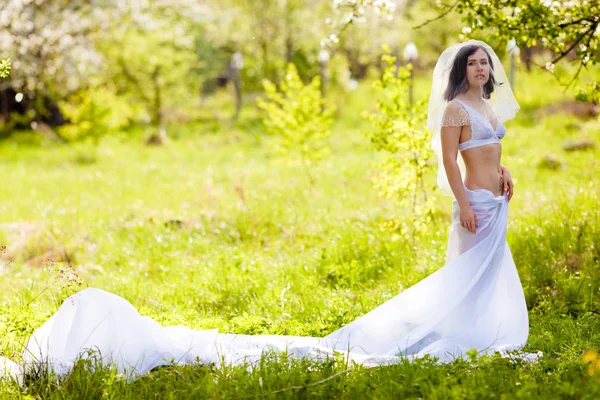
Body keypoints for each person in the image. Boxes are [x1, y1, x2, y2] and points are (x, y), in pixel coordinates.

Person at [0, 40, 541, 382]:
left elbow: (490, 152)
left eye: (484, 62)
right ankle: (455, 336)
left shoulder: (488, 106)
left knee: (490, 275)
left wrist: (504, 174)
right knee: (460, 277)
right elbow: (450, 161)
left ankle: (480, 333)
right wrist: (464, 202)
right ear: (461, 70)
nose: (478, 67)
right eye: (472, 61)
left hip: (498, 201)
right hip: (474, 208)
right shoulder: (452, 108)